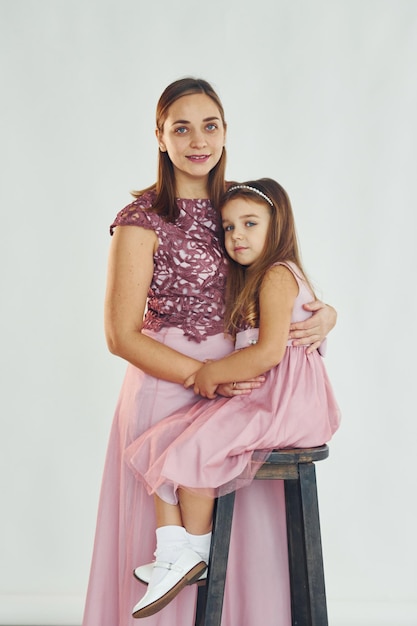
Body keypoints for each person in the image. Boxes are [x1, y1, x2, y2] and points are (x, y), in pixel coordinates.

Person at [82, 78, 337, 626]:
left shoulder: (239, 208)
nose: (198, 140)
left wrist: (326, 315)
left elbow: (280, 279)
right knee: (169, 503)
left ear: (225, 132)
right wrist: (205, 374)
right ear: (159, 136)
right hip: (168, 382)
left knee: (241, 533)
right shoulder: (143, 218)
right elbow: (120, 335)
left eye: (211, 125)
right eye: (181, 127)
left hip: (245, 388)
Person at [125, 178, 341, 619]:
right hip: (265, 397)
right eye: (227, 227)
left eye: (249, 224)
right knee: (157, 440)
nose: (236, 236)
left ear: (277, 227)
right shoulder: (260, 278)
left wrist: (207, 374)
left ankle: (197, 550)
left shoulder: (278, 275)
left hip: (285, 403)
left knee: (196, 447)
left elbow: (267, 353)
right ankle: (172, 551)